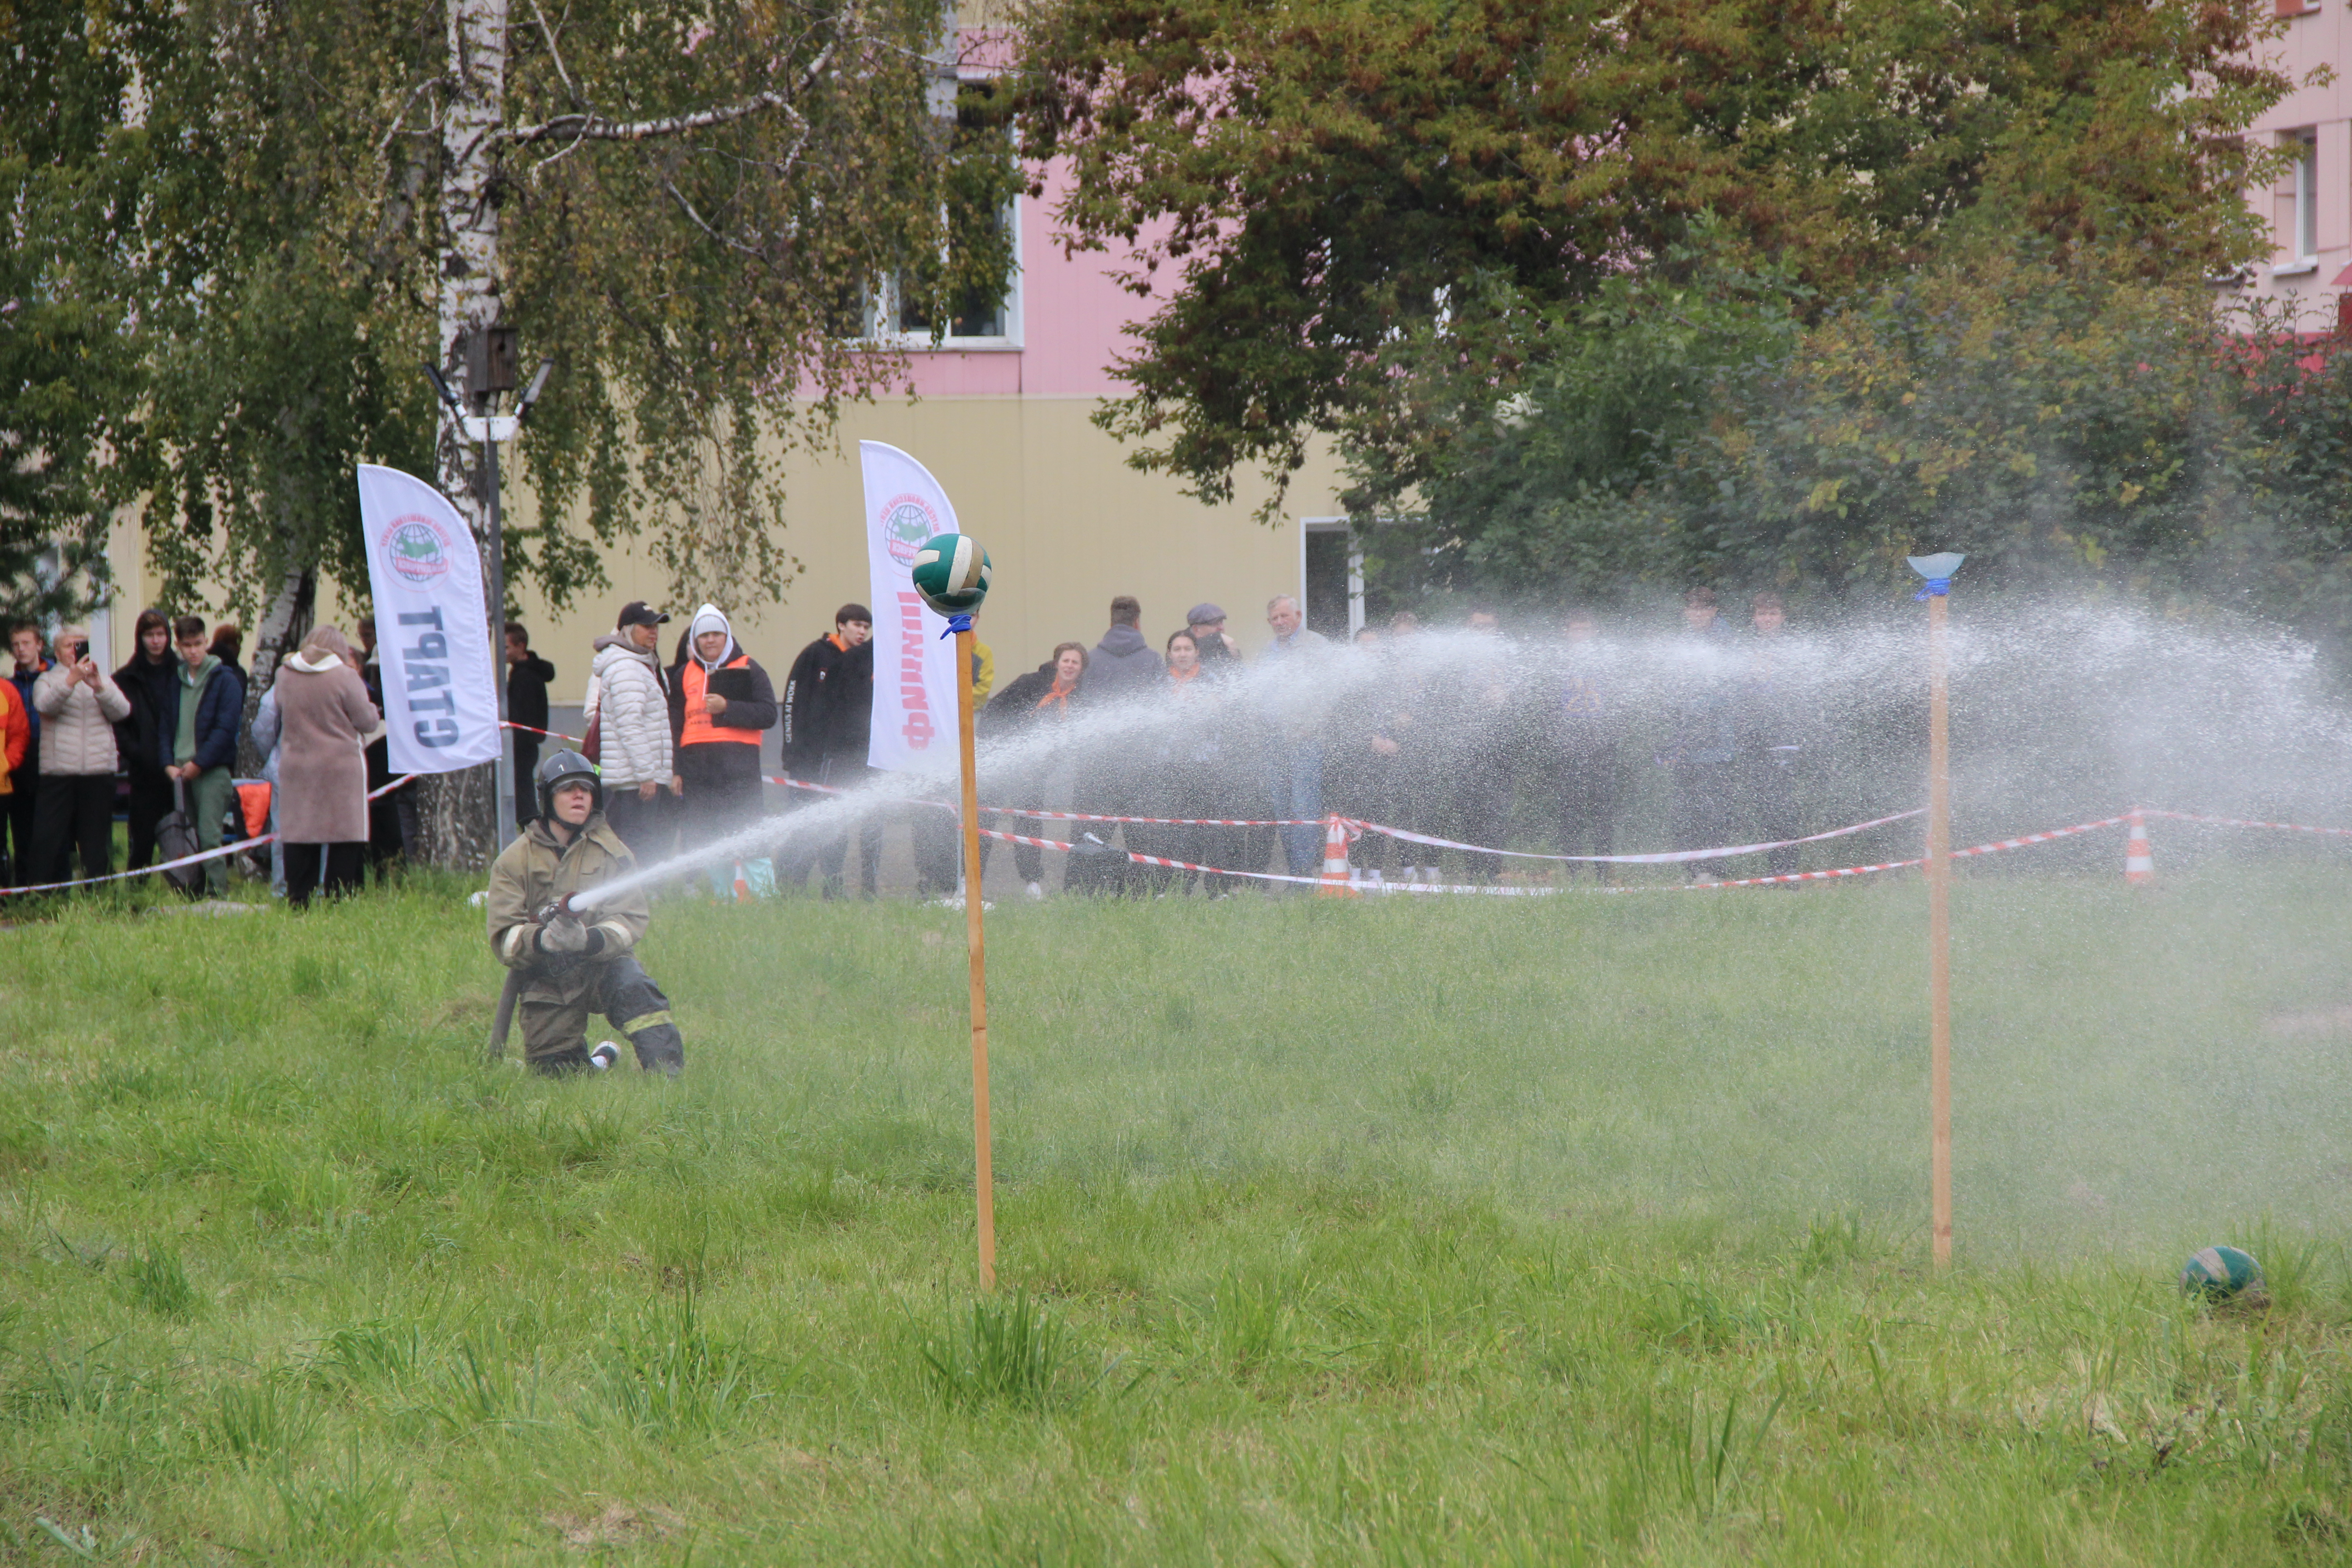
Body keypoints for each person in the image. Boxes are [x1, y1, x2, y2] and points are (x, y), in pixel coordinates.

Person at [486, 750, 685, 1077]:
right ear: (548, 799)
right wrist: (543, 940)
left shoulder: (613, 852)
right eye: (568, 788)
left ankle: (668, 1076)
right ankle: (601, 1061)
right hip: (546, 980)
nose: (580, 795)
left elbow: (630, 918)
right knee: (560, 1077)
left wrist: (588, 940)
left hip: (602, 965)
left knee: (635, 987)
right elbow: (504, 938)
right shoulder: (514, 861)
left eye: (587, 789)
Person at [666, 603, 777, 897]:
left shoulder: (749, 667)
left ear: (726, 636)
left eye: (716, 634)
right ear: (695, 641)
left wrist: (728, 708)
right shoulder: (683, 675)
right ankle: (723, 899)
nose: (710, 641)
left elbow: (768, 714)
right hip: (699, 772)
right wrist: (677, 771)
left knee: (751, 835)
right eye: (704, 636)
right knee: (710, 839)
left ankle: (766, 900)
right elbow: (676, 726)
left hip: (740, 769)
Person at [272, 625, 381, 907]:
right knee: (343, 835)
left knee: (300, 834)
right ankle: (338, 900)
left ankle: (299, 899)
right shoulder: (345, 676)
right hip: (340, 768)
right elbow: (367, 721)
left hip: (296, 765)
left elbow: (279, 709)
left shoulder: (285, 675)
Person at [979, 642, 1086, 897]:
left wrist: (1044, 769)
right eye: (1066, 661)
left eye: (1075, 663)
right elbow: (995, 709)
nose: (1069, 666)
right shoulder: (1030, 683)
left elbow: (1066, 743)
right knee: (985, 822)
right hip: (1001, 765)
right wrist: (995, 749)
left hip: (1035, 774)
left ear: (1082, 669)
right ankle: (969, 878)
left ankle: (1032, 882)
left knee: (1030, 826)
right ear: (1056, 663)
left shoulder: (1079, 700)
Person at [30, 626, 129, 883]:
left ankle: (100, 895)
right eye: (68, 645)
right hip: (59, 771)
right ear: (57, 651)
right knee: (48, 838)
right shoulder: (48, 680)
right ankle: (43, 894)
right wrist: (71, 681)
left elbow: (123, 712)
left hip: (97, 771)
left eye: (80, 644)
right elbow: (45, 706)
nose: (75, 650)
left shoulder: (102, 679)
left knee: (96, 840)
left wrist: (98, 687)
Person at [157, 614, 245, 898]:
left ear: (207, 642)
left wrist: (200, 762)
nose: (193, 651)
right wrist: (167, 762)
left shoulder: (225, 680)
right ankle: (192, 892)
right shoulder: (176, 680)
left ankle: (218, 892)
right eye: (187, 645)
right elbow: (166, 725)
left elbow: (225, 728)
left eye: (198, 644)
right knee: (187, 836)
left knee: (209, 836)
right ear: (179, 647)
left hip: (211, 770)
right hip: (180, 771)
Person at [1658, 586, 1740, 874]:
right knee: (1685, 812)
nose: (1698, 614)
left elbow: (1732, 688)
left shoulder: (1727, 642)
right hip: (1685, 746)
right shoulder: (1680, 642)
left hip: (1717, 746)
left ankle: (1715, 871)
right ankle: (1691, 871)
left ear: (1715, 611)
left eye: (1704, 608)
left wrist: (1702, 705)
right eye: (1693, 608)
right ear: (1685, 612)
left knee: (1714, 811)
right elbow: (1671, 689)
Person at [585, 601, 674, 854]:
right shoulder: (627, 669)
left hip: (637, 777)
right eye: (647, 627)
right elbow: (630, 725)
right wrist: (646, 775)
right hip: (635, 780)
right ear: (627, 631)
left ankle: (637, 893)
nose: (654, 632)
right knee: (636, 842)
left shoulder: (641, 664)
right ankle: (633, 894)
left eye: (656, 627)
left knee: (638, 840)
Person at [1257, 594, 1331, 878]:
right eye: (1274, 618)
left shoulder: (1317, 646)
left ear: (1298, 616)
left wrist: (1310, 726)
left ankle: (1302, 874)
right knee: (1282, 809)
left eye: (1284, 616)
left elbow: (1329, 693)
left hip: (1306, 741)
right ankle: (1293, 871)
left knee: (1304, 807)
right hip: (1274, 743)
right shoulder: (1266, 653)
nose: (1279, 622)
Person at [1551, 610, 1622, 881]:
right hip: (1568, 745)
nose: (1581, 635)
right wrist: (1558, 735)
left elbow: (1619, 702)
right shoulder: (1557, 662)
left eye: (1586, 629)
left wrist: (1609, 734)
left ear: (1595, 632)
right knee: (1570, 808)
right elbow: (1549, 705)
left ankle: (1604, 871)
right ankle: (1573, 871)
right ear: (1567, 633)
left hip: (1602, 746)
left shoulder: (1608, 661)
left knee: (1603, 808)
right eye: (1575, 630)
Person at [1740, 591, 1807, 877]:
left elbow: (1802, 689)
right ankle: (1773, 868)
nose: (1767, 619)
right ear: (1754, 618)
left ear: (1783, 617)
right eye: (1762, 614)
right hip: (1754, 734)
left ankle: (1787, 868)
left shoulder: (1795, 647)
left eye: (1773, 614)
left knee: (1782, 802)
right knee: (1764, 802)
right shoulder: (1744, 647)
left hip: (1785, 733)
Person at [114, 609, 178, 871]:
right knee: (142, 840)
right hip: (143, 770)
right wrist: (135, 751)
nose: (155, 641)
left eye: (161, 634)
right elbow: (118, 722)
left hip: (178, 768)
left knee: (181, 833)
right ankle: (138, 888)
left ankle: (186, 886)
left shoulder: (182, 674)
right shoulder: (125, 678)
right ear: (140, 638)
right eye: (149, 635)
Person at [5, 623, 47, 887]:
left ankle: (49, 884)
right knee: (20, 827)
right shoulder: (9, 686)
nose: (21, 650)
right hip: (17, 760)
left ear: (40, 645)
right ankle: (22, 885)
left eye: (27, 643)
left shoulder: (54, 676)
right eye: (16, 645)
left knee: (47, 825)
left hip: (48, 754)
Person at [505, 623, 556, 826]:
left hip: (522, 743)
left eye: (507, 647)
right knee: (522, 785)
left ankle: (530, 825)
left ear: (521, 646)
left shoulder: (526, 676)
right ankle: (527, 824)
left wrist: (519, 737)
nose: (504, 653)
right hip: (524, 741)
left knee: (522, 787)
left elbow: (524, 713)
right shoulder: (522, 673)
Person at [1186, 603, 1241, 675]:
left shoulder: (1222, 644)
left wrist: (1235, 655)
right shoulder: (1180, 646)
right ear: (1196, 629)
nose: (1221, 628)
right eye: (1214, 624)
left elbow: (1239, 674)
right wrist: (1217, 637)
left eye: (1221, 622)